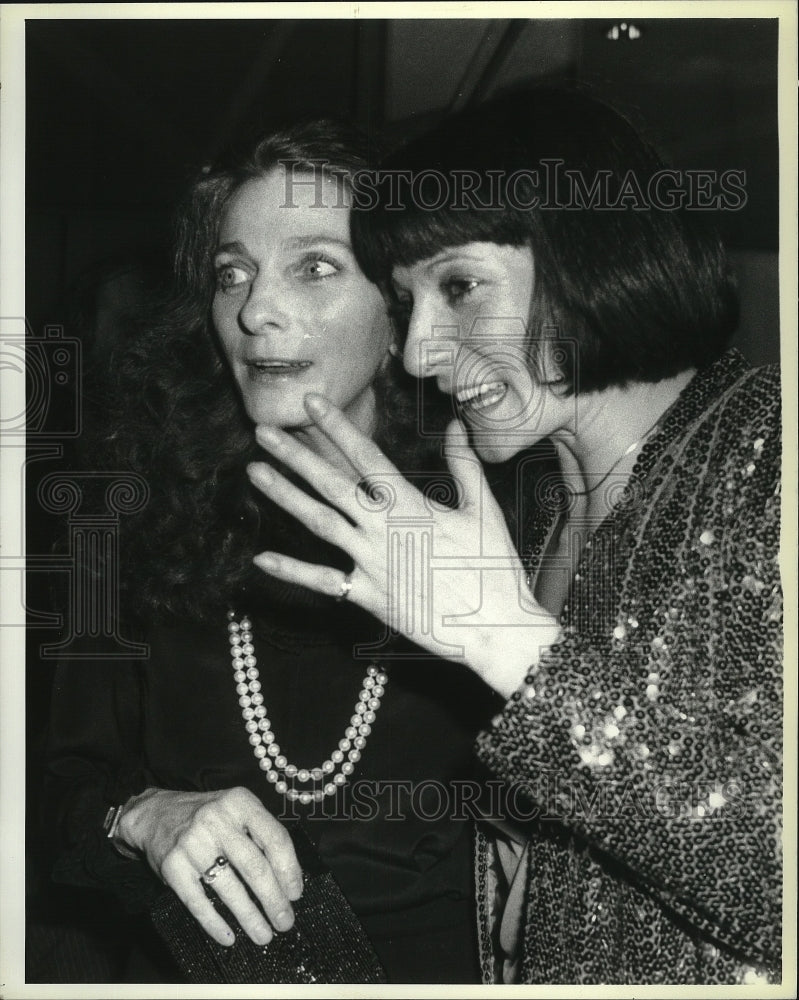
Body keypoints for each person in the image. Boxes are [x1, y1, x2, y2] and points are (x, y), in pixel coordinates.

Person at [243, 89, 783, 985]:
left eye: (458, 286)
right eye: (407, 301)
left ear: (588, 252)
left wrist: (505, 640)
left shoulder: (768, 459)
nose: (417, 352)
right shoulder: (529, 514)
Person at [43, 119, 500, 984]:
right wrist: (141, 817)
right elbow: (57, 794)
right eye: (232, 274)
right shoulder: (126, 516)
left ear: (399, 305)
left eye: (314, 266)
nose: (254, 309)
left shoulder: (495, 520)